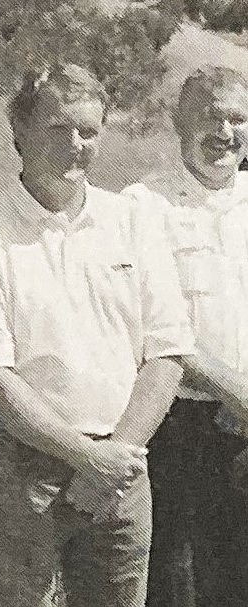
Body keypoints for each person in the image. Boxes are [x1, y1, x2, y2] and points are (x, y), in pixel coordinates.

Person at [0, 64, 195, 607]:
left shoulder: (132, 221)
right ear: (20, 135)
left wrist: (116, 456)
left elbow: (168, 352)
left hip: (124, 464)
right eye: (59, 129)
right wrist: (83, 455)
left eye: (89, 130)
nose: (76, 145)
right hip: (22, 471)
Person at [124, 66, 248, 607]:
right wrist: (232, 390)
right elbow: (153, 324)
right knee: (175, 579)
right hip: (179, 426)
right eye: (210, 117)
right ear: (178, 123)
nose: (224, 132)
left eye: (237, 118)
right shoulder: (143, 205)